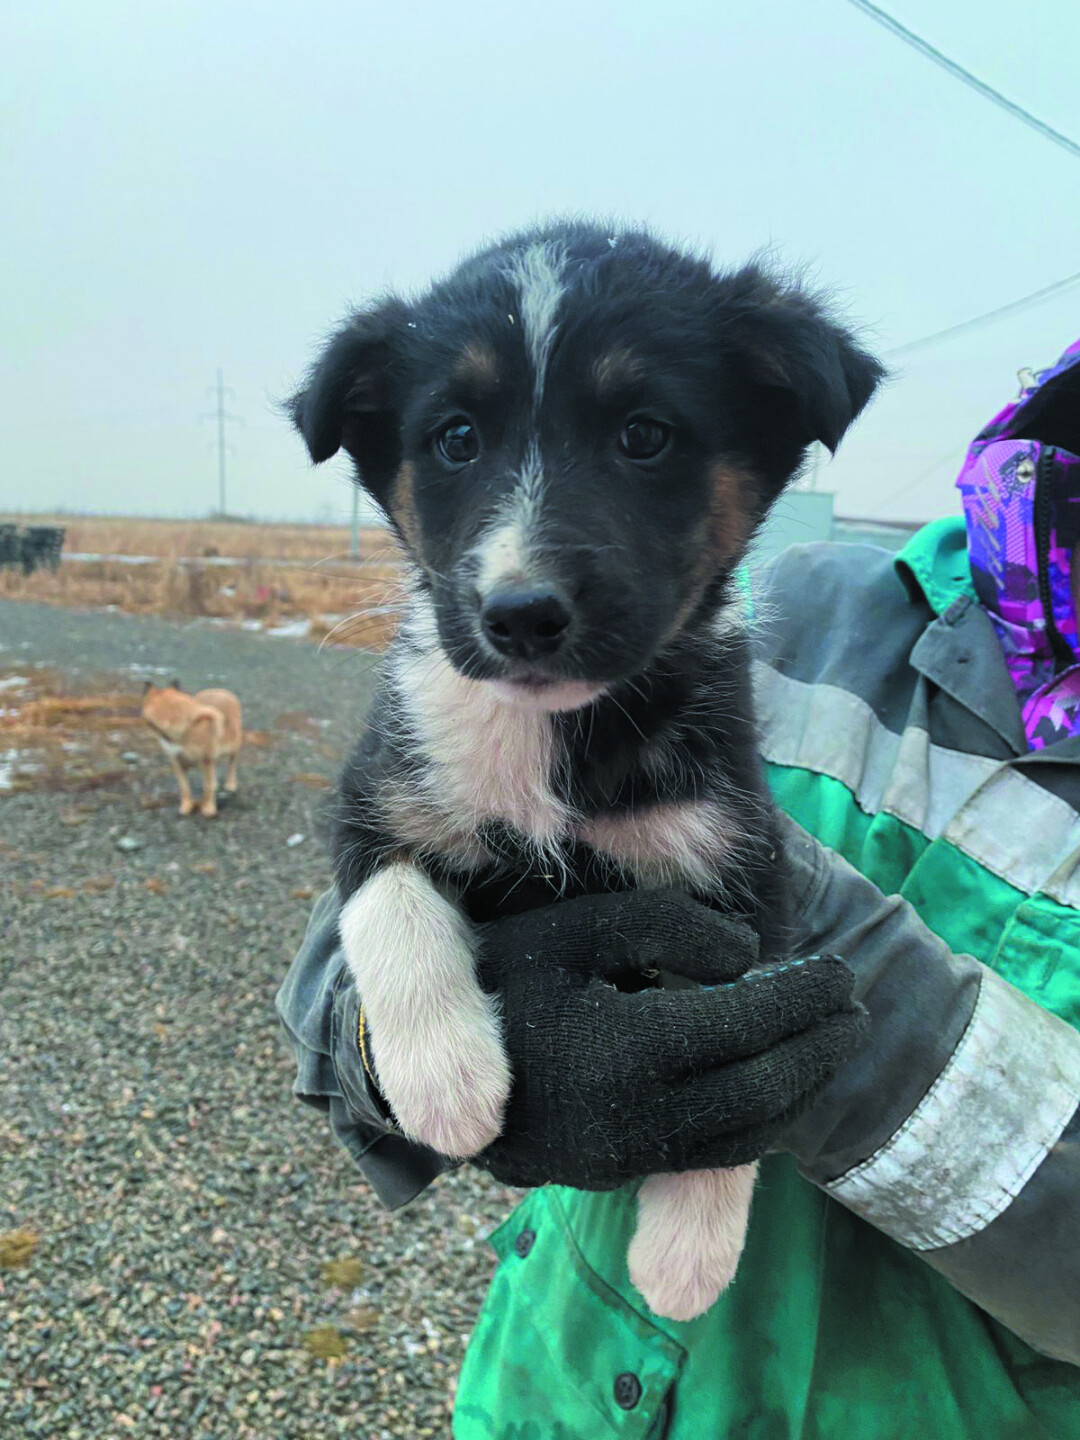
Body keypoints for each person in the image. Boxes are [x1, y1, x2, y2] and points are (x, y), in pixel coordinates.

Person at [276, 339, 1080, 1438]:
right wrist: (394, 1033)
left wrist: (804, 997)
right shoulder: (799, 605)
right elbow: (357, 921)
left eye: (643, 438)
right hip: (556, 1399)